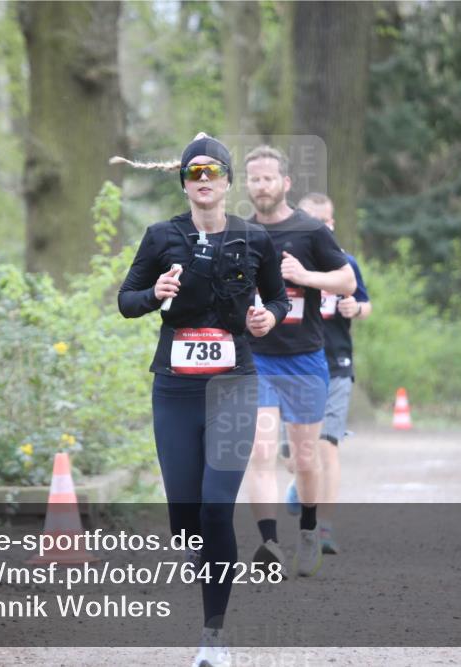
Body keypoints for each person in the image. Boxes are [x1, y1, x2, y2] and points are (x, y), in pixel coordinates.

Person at [117, 133, 290, 667]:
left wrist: (268, 317)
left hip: (234, 383)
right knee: (186, 517)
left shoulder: (254, 239)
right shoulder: (160, 236)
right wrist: (155, 294)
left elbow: (278, 298)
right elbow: (126, 301)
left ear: (228, 182)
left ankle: (213, 635)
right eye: (195, 173)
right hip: (175, 389)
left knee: (217, 508)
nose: (204, 180)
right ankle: (204, 556)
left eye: (213, 172)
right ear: (185, 183)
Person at [242, 145, 356, 578]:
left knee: (305, 460)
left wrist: (304, 277)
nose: (261, 186)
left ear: (285, 182)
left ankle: (308, 531)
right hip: (258, 360)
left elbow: (347, 280)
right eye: (254, 179)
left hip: (305, 360)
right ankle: (269, 543)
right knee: (261, 452)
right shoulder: (240, 233)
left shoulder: (310, 231)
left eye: (269, 178)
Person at [297, 192, 371, 556]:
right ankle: (302, 485)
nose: (317, 227)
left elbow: (366, 304)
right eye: (309, 220)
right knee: (296, 454)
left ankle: (323, 526)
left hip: (336, 365)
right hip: (296, 367)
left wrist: (354, 307)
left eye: (323, 221)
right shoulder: (287, 264)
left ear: (332, 224)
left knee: (327, 446)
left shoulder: (345, 263)